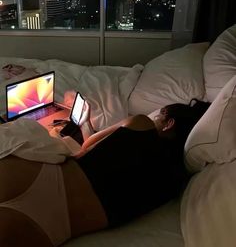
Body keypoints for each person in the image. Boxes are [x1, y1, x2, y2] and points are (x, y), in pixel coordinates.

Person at [0, 99, 210, 247]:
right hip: (53, 227)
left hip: (42, 177)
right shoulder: (172, 184)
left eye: (160, 115)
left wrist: (85, 123)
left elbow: (86, 146)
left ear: (169, 124)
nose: (153, 117)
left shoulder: (141, 124)